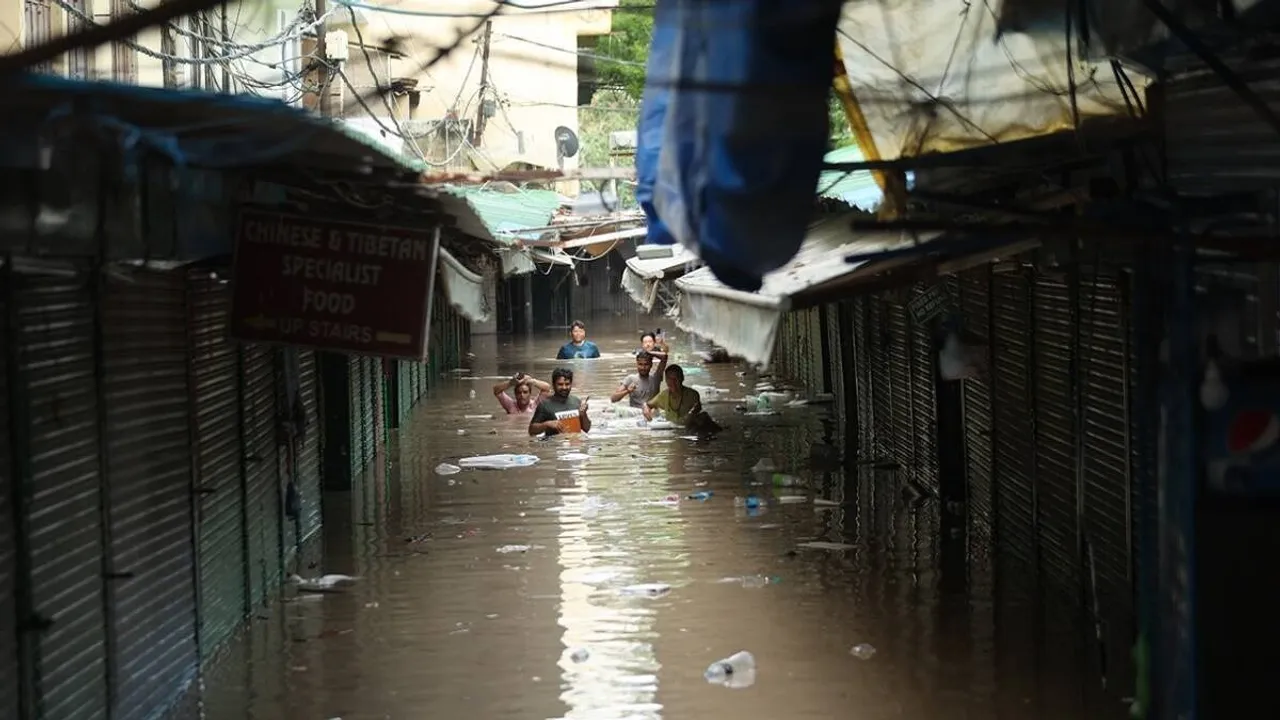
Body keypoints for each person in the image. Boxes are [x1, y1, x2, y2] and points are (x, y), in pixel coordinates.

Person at [644, 364, 721, 433]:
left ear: (682, 378)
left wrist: (693, 413)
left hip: (689, 430)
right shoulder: (663, 395)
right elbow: (647, 405)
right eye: (669, 379)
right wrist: (646, 410)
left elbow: (694, 415)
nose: (673, 382)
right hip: (673, 431)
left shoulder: (692, 395)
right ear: (666, 380)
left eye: (676, 379)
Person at [529, 367, 592, 436]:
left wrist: (584, 415)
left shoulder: (576, 401)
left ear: (571, 384)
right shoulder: (545, 405)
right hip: (554, 442)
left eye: (567, 384)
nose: (564, 387)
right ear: (553, 385)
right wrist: (546, 424)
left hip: (575, 441)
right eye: (560, 384)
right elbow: (531, 430)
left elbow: (586, 429)